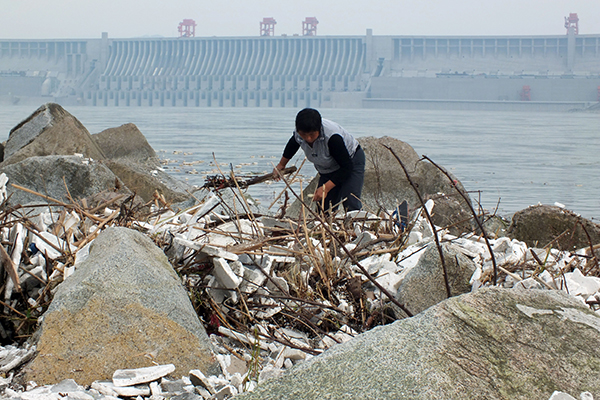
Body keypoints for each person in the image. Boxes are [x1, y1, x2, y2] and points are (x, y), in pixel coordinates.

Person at [273, 108, 365, 212]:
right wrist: (281, 165)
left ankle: (356, 225)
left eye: (312, 135)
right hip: (327, 167)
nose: (308, 139)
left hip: (350, 161)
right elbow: (293, 144)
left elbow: (347, 168)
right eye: (304, 135)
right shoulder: (299, 133)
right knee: (323, 209)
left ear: (319, 129)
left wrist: (326, 188)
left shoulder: (332, 137)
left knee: (350, 199)